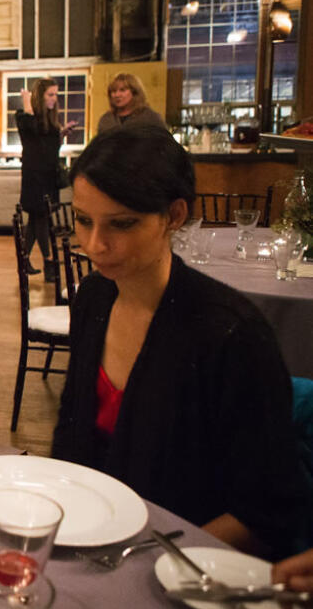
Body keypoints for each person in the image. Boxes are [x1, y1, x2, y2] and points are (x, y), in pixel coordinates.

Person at [51, 126, 311, 558]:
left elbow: (267, 512)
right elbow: (71, 428)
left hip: (181, 566)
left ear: (174, 215)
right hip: (90, 542)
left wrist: (142, 561)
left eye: (122, 224)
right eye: (83, 220)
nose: (95, 245)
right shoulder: (94, 299)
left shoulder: (230, 334)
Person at [16, 78, 76, 282]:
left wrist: (62, 135)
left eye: (55, 94)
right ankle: (49, 262)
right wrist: (27, 102)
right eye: (50, 94)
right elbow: (29, 127)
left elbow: (48, 147)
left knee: (36, 219)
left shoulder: (50, 120)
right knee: (42, 218)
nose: (54, 99)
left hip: (48, 175)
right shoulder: (26, 117)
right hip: (35, 177)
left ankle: (23, 261)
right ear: (39, 97)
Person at [95, 72, 166, 134]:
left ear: (134, 92)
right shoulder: (106, 120)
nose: (117, 95)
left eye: (122, 90)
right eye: (113, 91)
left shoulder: (150, 118)